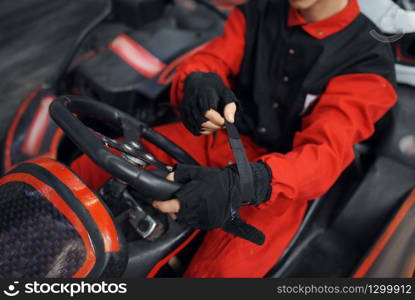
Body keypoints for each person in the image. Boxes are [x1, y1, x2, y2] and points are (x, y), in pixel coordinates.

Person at [72, 0, 397, 277]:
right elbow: (211, 59)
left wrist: (245, 184)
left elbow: (322, 156)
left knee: (223, 272)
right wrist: (198, 83)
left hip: (279, 179)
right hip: (216, 137)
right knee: (90, 168)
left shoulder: (368, 61)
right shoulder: (258, 11)